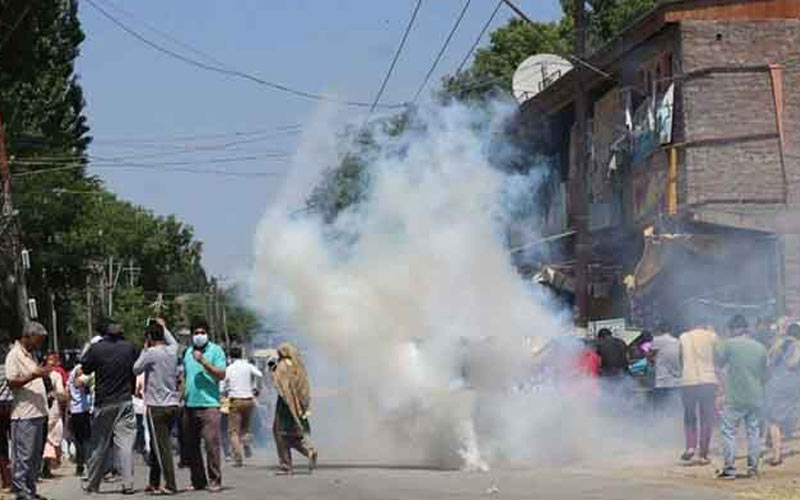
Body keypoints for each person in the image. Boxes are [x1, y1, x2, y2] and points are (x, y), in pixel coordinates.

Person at [81, 320, 138, 494]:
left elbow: (85, 369)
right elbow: (135, 369)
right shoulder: (130, 347)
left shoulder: (97, 349)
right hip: (125, 401)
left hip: (104, 403)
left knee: (99, 445)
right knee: (126, 444)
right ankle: (127, 483)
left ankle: (92, 484)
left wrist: (90, 347)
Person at [714, 315, 767, 479]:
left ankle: (729, 469)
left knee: (729, 431)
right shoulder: (760, 347)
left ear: (734, 329)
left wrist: (721, 391)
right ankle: (753, 468)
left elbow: (719, 364)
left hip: (735, 396)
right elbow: (766, 373)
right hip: (756, 396)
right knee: (753, 432)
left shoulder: (728, 344)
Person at [133, 319, 179, 495]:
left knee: (162, 448)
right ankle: (154, 481)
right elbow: (173, 340)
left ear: (150, 337)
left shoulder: (151, 353)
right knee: (156, 444)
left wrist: (145, 348)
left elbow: (136, 369)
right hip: (172, 403)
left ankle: (170, 484)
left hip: (156, 406)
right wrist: (164, 327)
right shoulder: (172, 350)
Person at [5, 322, 50, 500]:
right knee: (24, 455)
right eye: (37, 340)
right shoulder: (14, 355)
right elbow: (12, 381)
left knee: (34, 456)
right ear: (28, 337)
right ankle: (22, 491)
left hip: (37, 413)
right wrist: (34, 376)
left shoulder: (30, 355)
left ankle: (30, 490)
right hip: (24, 414)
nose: (38, 344)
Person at [182, 317, 226, 492]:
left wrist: (204, 362)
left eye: (202, 332)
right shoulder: (187, 352)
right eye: (196, 333)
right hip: (190, 404)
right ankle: (198, 480)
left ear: (207, 334)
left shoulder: (216, 351)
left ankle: (215, 480)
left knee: (211, 444)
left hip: (209, 405)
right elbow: (185, 376)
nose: (199, 335)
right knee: (191, 445)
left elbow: (221, 374)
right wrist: (181, 395)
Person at [272, 343, 317, 474]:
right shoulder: (297, 364)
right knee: (291, 434)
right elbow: (303, 386)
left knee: (280, 433)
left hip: (285, 404)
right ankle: (309, 451)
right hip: (297, 403)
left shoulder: (281, 366)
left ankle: (286, 465)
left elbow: (280, 386)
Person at [679, 322, 719, 465]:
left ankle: (690, 447)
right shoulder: (712, 336)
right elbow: (718, 357)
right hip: (708, 380)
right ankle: (703, 454)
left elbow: (680, 359)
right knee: (706, 418)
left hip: (688, 381)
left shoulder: (683, 337)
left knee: (689, 416)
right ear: (704, 325)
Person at [764, 322, 800, 466]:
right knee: (790, 414)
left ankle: (777, 455)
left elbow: (769, 362)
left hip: (777, 384)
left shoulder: (779, 343)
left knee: (774, 420)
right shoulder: (798, 345)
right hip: (795, 385)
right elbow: (794, 364)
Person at [224, 346, 263, 467]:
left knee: (233, 431)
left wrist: (224, 391)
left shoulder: (229, 368)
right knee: (246, 427)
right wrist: (256, 388)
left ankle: (238, 456)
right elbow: (260, 374)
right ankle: (246, 444)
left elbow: (223, 384)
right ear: (241, 354)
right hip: (249, 399)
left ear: (230, 356)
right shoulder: (248, 366)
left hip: (235, 400)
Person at [41, 354, 67, 479]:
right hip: (52, 410)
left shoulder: (38, 375)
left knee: (46, 439)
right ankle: (45, 468)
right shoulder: (56, 375)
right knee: (50, 438)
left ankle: (43, 468)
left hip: (44, 411)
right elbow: (61, 393)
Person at [67, 363, 92, 477]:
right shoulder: (79, 368)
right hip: (80, 410)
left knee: (79, 439)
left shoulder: (72, 371)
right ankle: (85, 464)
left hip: (76, 409)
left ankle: (80, 465)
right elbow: (78, 383)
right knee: (84, 439)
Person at [651, 323, 682, 411]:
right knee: (675, 408)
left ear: (659, 331)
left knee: (661, 409)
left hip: (662, 382)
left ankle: (662, 423)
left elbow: (649, 355)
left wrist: (648, 355)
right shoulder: (677, 341)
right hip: (677, 382)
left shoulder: (658, 340)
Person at [0, 343, 14, 492]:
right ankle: (18, 478)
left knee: (2, 447)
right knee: (16, 443)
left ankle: (6, 480)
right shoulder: (8, 368)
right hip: (11, 406)